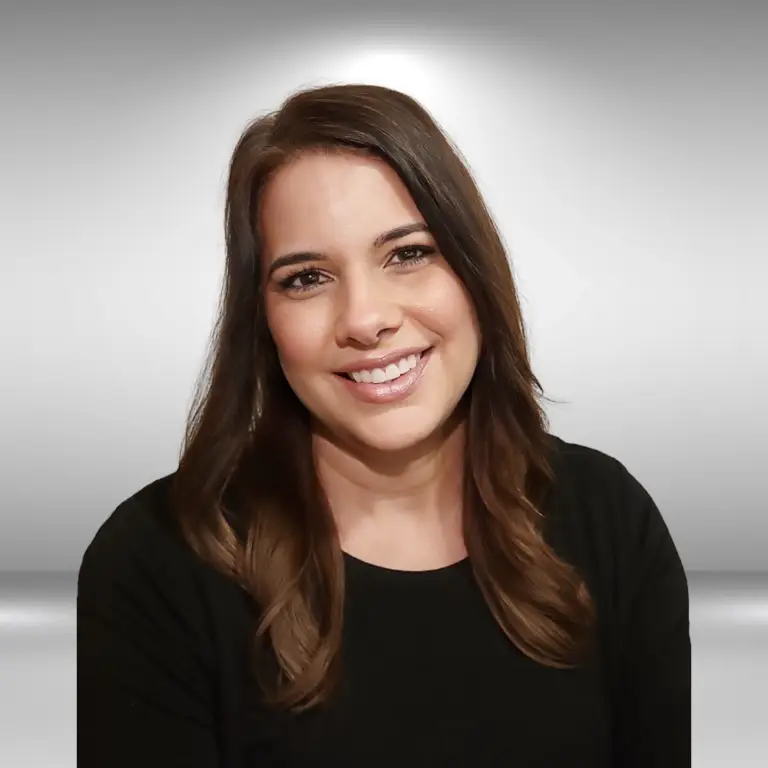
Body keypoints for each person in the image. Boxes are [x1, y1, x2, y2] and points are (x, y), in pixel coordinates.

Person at [77, 83, 691, 767]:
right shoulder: (156, 560)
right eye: (306, 278)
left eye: (408, 253)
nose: (365, 319)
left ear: (474, 270)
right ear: (264, 321)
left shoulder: (609, 518)